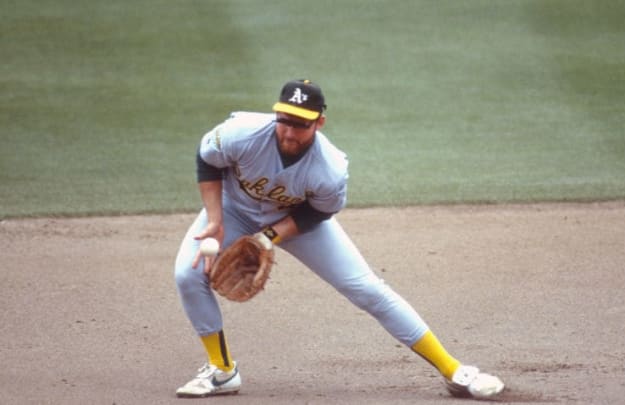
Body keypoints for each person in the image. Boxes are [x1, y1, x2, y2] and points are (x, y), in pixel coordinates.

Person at [173, 79, 505, 399]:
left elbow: (316, 213)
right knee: (188, 274)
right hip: (233, 210)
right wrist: (215, 218)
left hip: (296, 220)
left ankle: (454, 371)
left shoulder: (329, 168)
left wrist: (268, 237)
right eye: (284, 120)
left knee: (367, 289)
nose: (289, 130)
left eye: (300, 124)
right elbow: (207, 160)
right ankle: (222, 370)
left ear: (319, 123)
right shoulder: (241, 132)